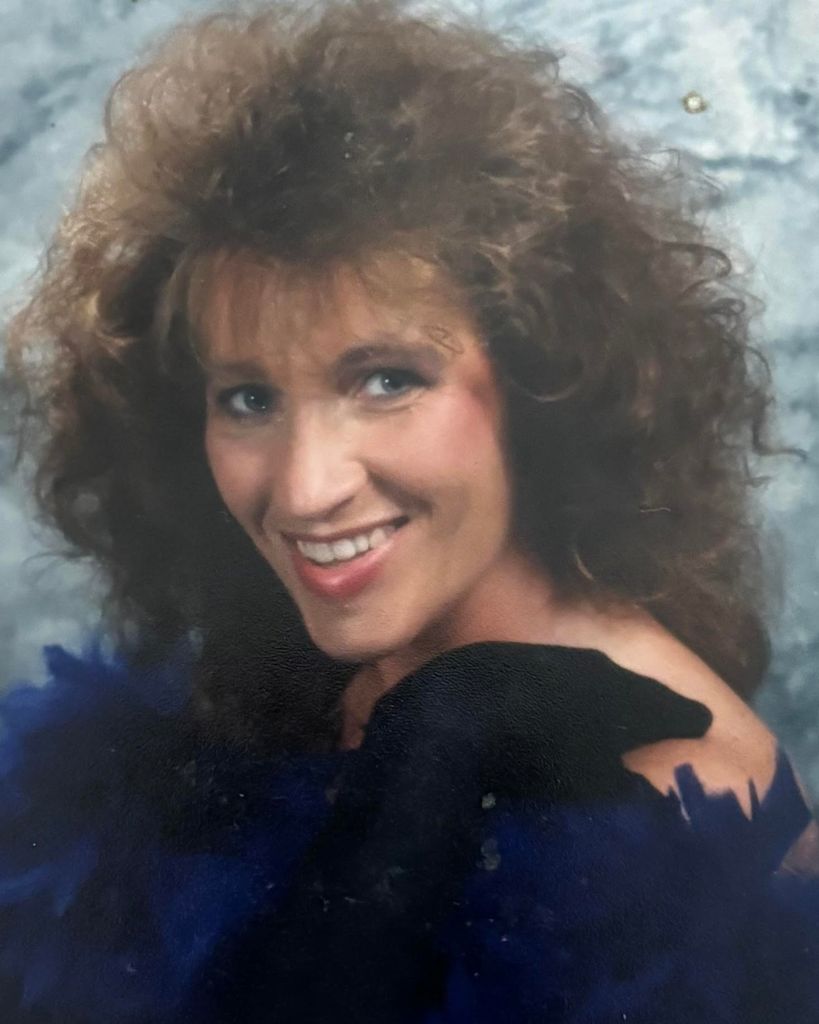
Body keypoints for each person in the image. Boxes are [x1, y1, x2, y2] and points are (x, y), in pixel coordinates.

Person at [2, 1, 818, 1021]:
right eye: (247, 398)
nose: (305, 489)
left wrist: (428, 769)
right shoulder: (281, 680)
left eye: (387, 379)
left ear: (541, 381)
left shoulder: (680, 795)